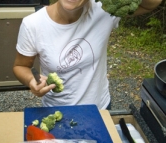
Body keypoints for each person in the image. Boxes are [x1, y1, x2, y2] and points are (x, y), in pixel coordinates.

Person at [13, 0, 162, 110]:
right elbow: (21, 66)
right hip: (56, 109)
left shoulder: (105, 10)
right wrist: (31, 81)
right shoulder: (33, 24)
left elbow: (152, 3)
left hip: (100, 108)